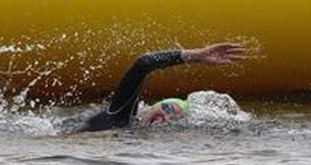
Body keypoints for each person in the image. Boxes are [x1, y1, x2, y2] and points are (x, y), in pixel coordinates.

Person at [81, 43, 244, 132]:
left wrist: (196, 56)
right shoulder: (114, 120)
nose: (163, 120)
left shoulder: (122, 119)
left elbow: (143, 64)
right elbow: (143, 63)